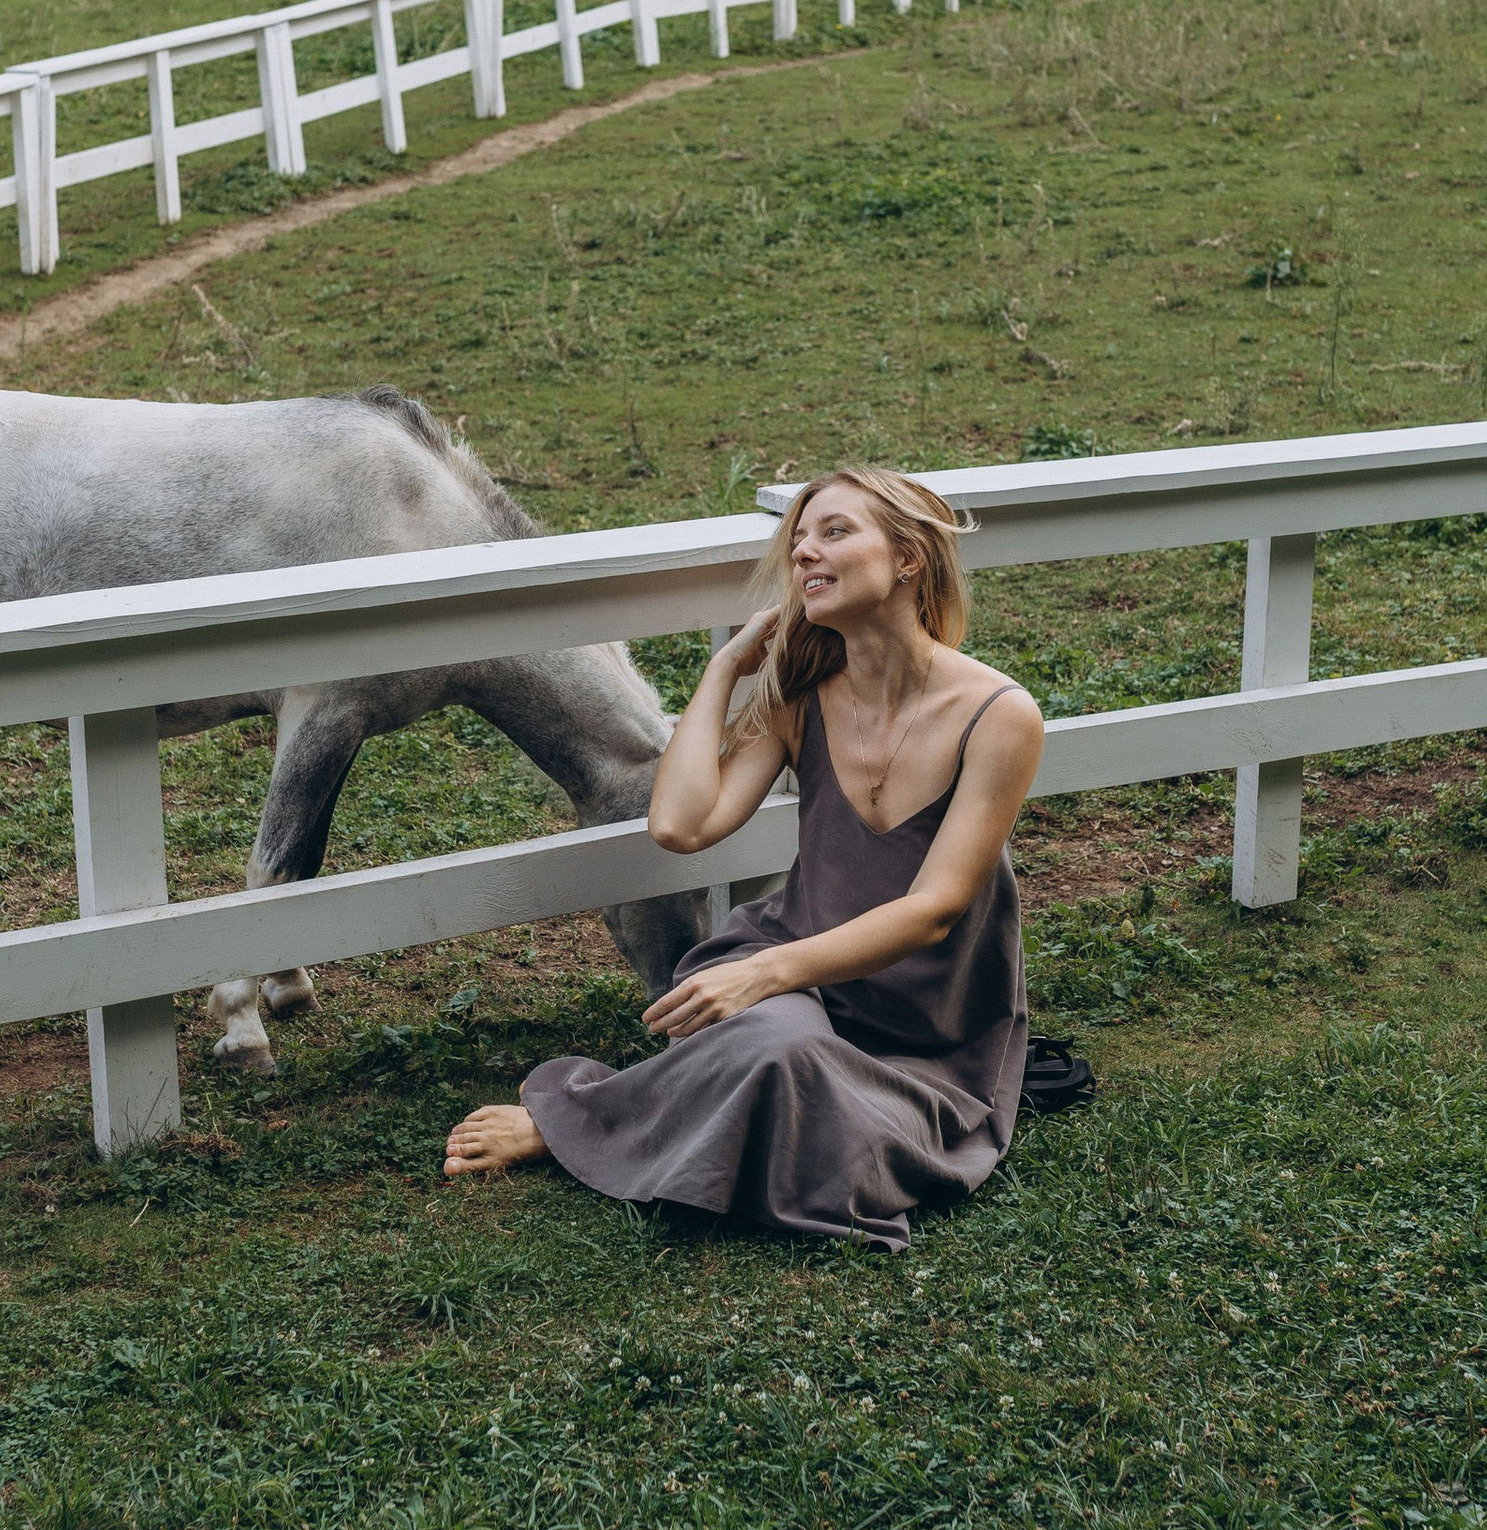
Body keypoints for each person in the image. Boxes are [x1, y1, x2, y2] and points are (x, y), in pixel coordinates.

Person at [443, 463, 1044, 1249]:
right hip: (799, 981)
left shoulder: (1000, 715)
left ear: (908, 557)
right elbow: (681, 825)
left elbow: (934, 910)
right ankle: (612, 1112)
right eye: (798, 540)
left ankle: (588, 1119)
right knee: (779, 1047)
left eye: (834, 532)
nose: (803, 554)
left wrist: (765, 973)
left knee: (803, 1086)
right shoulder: (802, 697)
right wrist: (724, 670)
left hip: (928, 1025)